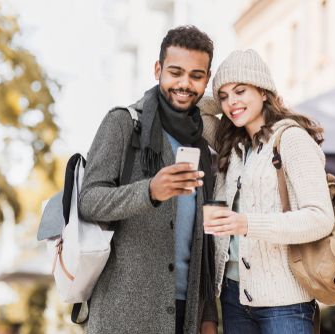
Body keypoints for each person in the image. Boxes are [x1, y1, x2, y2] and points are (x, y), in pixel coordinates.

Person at [79, 26, 218, 334]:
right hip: (124, 313)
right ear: (158, 70)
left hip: (185, 315)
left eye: (196, 76)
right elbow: (88, 201)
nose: (185, 83)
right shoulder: (123, 124)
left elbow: (202, 241)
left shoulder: (202, 146)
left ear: (207, 80)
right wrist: (150, 192)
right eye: (175, 72)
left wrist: (209, 315)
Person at [198, 49, 334, 334]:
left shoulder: (292, 139)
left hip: (285, 304)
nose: (231, 101)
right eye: (223, 95)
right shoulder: (232, 143)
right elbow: (192, 103)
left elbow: (321, 218)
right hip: (234, 298)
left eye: (240, 90)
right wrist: (221, 97)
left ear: (264, 92)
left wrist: (247, 223)